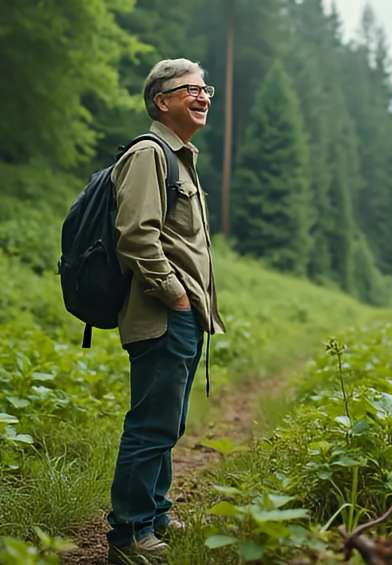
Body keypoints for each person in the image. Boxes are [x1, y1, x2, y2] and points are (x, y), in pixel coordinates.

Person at [106, 58, 225, 564]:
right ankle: (129, 534)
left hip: (181, 315)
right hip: (161, 313)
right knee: (151, 424)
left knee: (168, 422)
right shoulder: (149, 155)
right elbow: (136, 238)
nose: (202, 97)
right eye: (190, 90)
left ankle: (154, 512)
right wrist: (176, 296)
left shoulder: (180, 157)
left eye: (206, 90)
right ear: (162, 100)